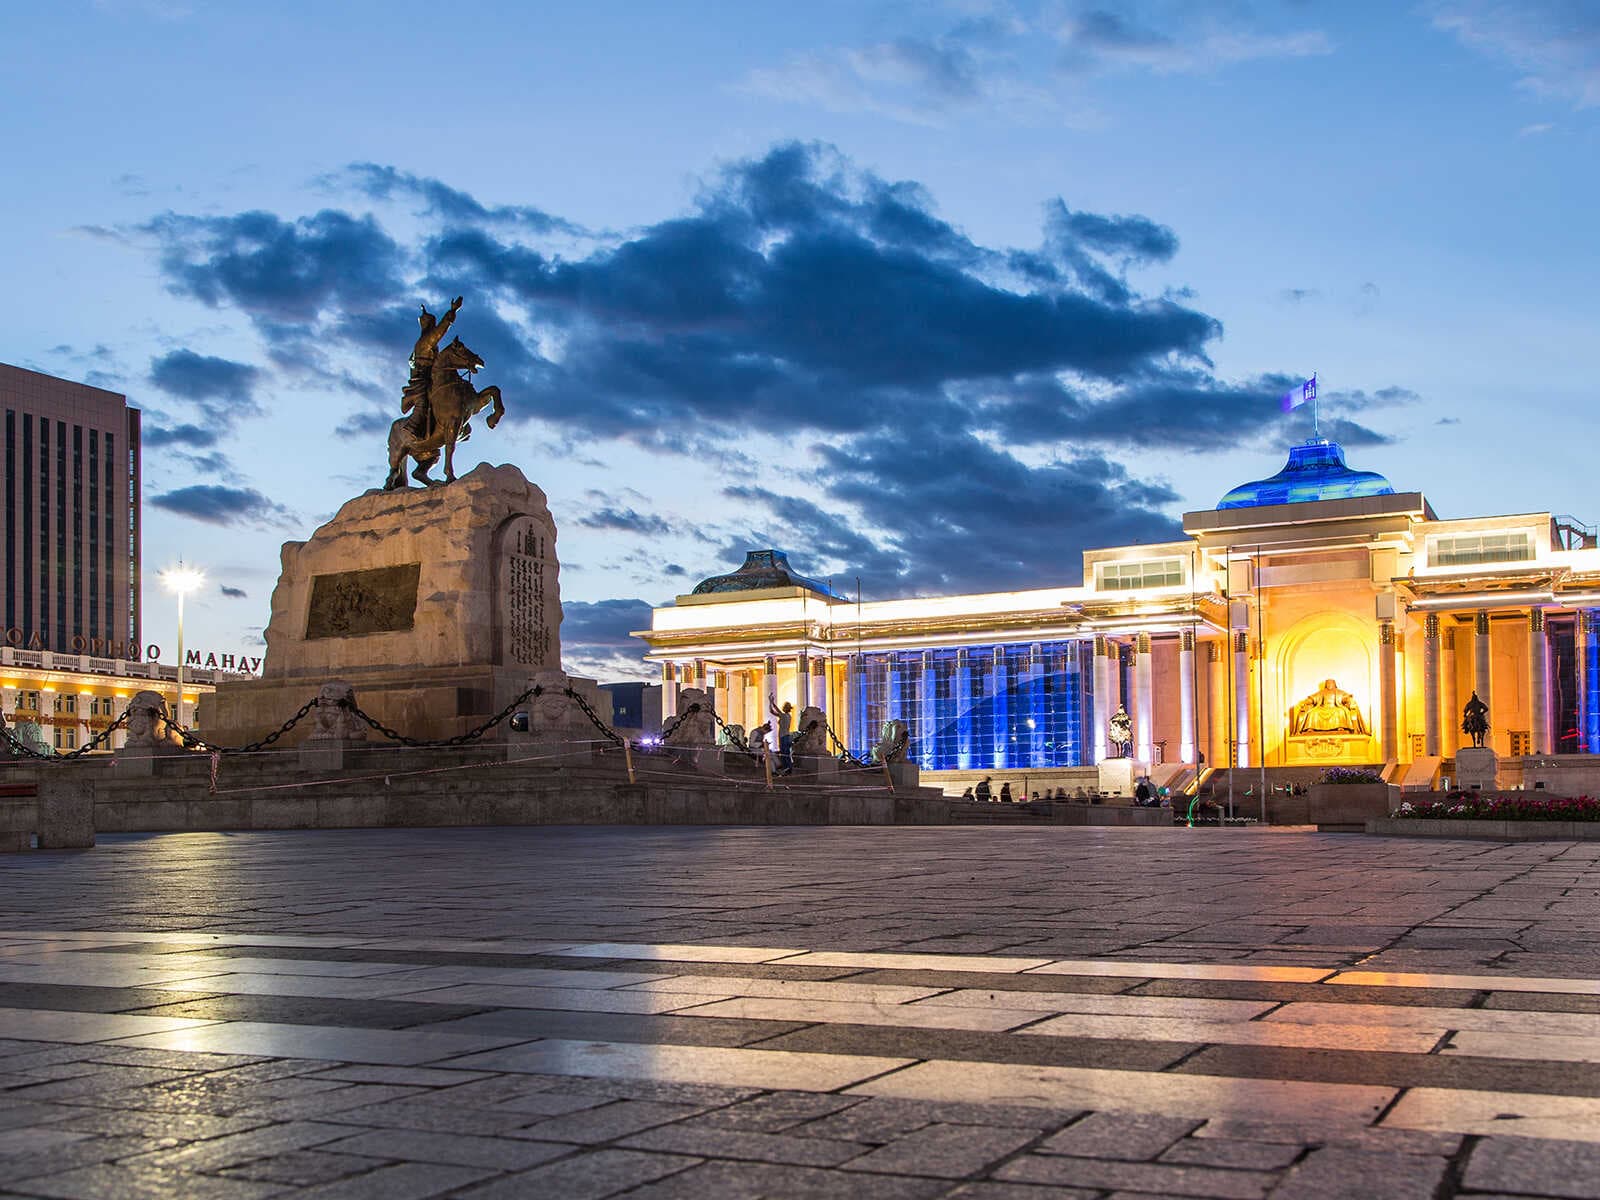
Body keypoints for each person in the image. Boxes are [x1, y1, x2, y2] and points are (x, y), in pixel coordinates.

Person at [402, 295, 464, 439]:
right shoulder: (424, 343)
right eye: (433, 325)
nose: (434, 329)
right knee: (423, 401)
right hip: (423, 381)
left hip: (432, 378)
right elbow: (441, 330)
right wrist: (452, 311)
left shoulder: (430, 345)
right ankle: (413, 427)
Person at [769, 698, 795, 770]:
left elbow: (777, 710)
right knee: (783, 753)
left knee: (785, 753)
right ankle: (785, 767)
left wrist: (772, 702)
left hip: (784, 736)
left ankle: (788, 767)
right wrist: (770, 703)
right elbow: (772, 711)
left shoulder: (785, 716)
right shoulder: (783, 716)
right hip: (782, 736)